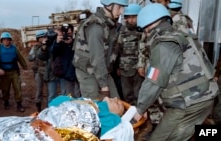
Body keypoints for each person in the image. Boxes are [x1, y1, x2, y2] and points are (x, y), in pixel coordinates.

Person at [134, 4, 218, 141]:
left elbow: (154, 81)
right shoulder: (182, 35)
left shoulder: (165, 44)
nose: (145, 35)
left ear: (148, 27)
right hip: (204, 97)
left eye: (145, 31)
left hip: (190, 103)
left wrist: (140, 109)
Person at [72, 0, 128, 100]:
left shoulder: (108, 24)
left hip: (102, 71)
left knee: (116, 103)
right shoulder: (95, 26)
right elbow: (97, 59)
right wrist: (104, 87)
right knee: (97, 108)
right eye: (120, 7)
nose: (121, 12)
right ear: (109, 6)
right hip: (88, 73)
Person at [0, 32, 27, 112]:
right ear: (2, 41)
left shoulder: (14, 48)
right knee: (5, 89)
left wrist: (24, 67)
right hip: (4, 72)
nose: (6, 41)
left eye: (8, 40)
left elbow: (20, 58)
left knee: (17, 88)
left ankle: (19, 104)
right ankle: (6, 102)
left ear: (10, 40)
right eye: (4, 40)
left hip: (14, 71)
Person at [117, 3, 143, 106]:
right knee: (127, 95)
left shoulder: (143, 30)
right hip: (125, 69)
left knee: (139, 95)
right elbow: (118, 49)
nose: (131, 20)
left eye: (133, 17)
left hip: (139, 70)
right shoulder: (122, 31)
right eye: (128, 17)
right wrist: (118, 67)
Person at [37, 28, 67, 103]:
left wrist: (60, 40)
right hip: (51, 73)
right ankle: (51, 110)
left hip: (63, 72)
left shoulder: (63, 42)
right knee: (52, 95)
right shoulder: (47, 45)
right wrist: (44, 47)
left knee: (65, 94)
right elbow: (41, 56)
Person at [28, 30, 48, 112]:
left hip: (48, 70)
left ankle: (49, 106)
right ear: (38, 39)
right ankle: (38, 107)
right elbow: (30, 58)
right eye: (41, 37)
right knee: (39, 90)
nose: (43, 39)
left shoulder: (49, 46)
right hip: (39, 71)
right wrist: (35, 54)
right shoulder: (35, 48)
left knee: (49, 90)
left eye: (44, 37)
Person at [61, 24, 81, 98]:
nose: (68, 36)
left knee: (78, 94)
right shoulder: (60, 43)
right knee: (69, 96)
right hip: (67, 73)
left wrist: (72, 43)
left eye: (69, 33)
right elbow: (53, 52)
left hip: (78, 71)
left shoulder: (77, 42)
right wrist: (58, 42)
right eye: (66, 33)